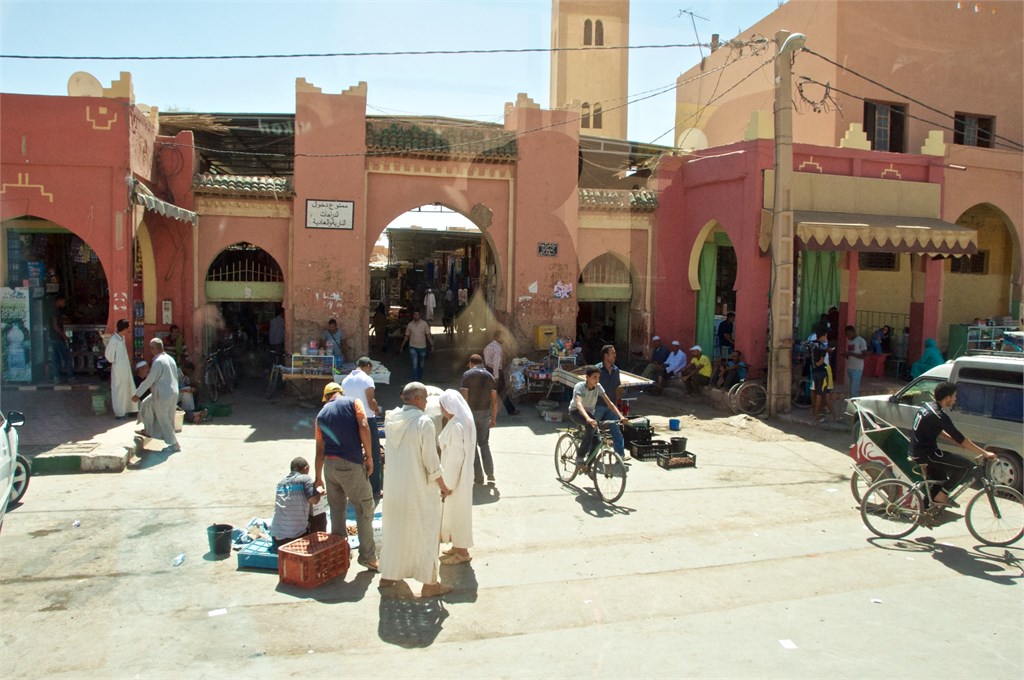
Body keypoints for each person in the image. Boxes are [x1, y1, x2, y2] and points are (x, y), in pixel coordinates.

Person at [380, 382, 454, 598]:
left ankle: (388, 575)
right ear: (418, 399)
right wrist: (443, 486)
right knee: (426, 533)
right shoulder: (423, 422)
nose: (426, 403)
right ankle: (430, 584)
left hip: (394, 489)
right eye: (425, 399)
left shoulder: (391, 418)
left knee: (396, 531)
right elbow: (431, 461)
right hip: (419, 490)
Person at [312, 381, 379, 572]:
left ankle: (340, 553)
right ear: (340, 392)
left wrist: (318, 477)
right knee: (364, 507)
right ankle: (367, 557)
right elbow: (364, 426)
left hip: (330, 467)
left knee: (336, 509)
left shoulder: (321, 415)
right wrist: (369, 457)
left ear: (326, 397)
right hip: (350, 465)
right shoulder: (353, 402)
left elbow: (319, 450)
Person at [909, 381, 995, 508]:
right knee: (967, 466)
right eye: (954, 396)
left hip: (918, 451)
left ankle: (924, 510)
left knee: (940, 480)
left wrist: (955, 441)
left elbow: (937, 431)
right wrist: (985, 453)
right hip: (927, 454)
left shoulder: (928, 407)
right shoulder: (939, 416)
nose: (955, 399)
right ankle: (942, 496)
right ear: (947, 398)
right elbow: (961, 438)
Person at [437, 389, 476, 566]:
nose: (441, 409)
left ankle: (462, 552)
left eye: (442, 406)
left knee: (459, 513)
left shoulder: (456, 426)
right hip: (461, 475)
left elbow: (455, 458)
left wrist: (448, 484)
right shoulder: (460, 422)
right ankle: (457, 546)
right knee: (455, 512)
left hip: (456, 478)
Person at [342, 356, 384, 502]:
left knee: (354, 453)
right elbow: (371, 401)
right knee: (373, 453)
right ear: (368, 366)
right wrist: (377, 410)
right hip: (367, 419)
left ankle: (354, 488)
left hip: (350, 419)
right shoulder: (367, 379)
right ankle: (375, 489)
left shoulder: (346, 380)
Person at [570, 366, 628, 467]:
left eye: (598, 377)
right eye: (594, 377)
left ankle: (588, 465)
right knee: (591, 426)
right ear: (587, 377)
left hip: (589, 413)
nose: (597, 380)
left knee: (598, 441)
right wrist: (588, 418)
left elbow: (609, 403)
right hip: (576, 412)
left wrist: (621, 416)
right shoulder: (579, 386)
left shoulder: (598, 387)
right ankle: (580, 456)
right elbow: (579, 404)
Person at [132, 337, 180, 453]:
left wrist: (137, 394)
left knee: (164, 420)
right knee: (146, 404)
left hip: (162, 394)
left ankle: (174, 444)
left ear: (153, 348)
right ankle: (148, 430)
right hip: (172, 392)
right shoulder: (170, 359)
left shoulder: (158, 362)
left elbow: (149, 380)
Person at [460, 353, 499, 485]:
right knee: (484, 443)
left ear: (471, 364)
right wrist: (493, 418)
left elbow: (464, 397)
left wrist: (461, 415)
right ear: (481, 363)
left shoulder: (467, 374)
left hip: (470, 413)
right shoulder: (490, 376)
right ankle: (490, 473)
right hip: (485, 413)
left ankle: (478, 477)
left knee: (472, 444)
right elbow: (494, 400)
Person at [270, 457, 322, 552]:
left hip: (277, 538)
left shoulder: (280, 484)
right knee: (320, 512)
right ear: (306, 468)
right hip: (294, 537)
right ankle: (319, 547)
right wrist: (318, 492)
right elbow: (314, 500)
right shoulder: (305, 479)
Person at [596, 344, 630, 460]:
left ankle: (620, 455)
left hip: (611, 406)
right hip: (598, 405)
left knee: (616, 431)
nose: (615, 355)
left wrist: (618, 403)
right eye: (613, 353)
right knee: (592, 430)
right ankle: (588, 454)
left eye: (615, 353)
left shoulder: (616, 370)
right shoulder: (597, 370)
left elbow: (617, 388)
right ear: (606, 356)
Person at [104, 319, 137, 419]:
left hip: (125, 369)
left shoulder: (121, 338)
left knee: (128, 388)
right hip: (118, 370)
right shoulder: (114, 340)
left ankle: (131, 409)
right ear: (125, 328)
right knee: (119, 391)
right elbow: (109, 356)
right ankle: (120, 412)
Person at [483, 331, 521, 416]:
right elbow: (496, 364)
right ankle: (511, 410)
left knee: (488, 392)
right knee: (502, 392)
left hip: (487, 370)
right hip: (496, 371)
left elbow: (486, 361)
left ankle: (484, 411)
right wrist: (496, 376)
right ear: (497, 337)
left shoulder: (487, 347)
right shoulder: (497, 348)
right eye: (502, 337)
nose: (503, 339)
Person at [809, 330, 840, 422]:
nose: (826, 338)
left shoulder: (811, 345)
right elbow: (820, 362)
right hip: (822, 372)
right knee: (822, 394)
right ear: (822, 336)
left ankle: (832, 416)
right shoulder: (822, 347)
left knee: (821, 393)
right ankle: (817, 415)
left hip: (814, 371)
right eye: (825, 336)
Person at [400, 310, 433, 382]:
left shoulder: (424, 324)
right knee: (414, 365)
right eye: (415, 314)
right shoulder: (410, 325)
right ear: (413, 316)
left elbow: (428, 335)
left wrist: (432, 344)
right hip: (413, 347)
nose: (416, 316)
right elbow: (406, 336)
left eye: (417, 314)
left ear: (419, 315)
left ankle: (419, 377)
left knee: (421, 365)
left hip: (422, 347)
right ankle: (416, 380)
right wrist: (402, 345)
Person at [50, 295, 74, 383]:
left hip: (53, 338)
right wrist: (63, 335)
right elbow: (55, 326)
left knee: (56, 359)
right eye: (64, 301)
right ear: (59, 300)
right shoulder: (55, 311)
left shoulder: (54, 311)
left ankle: (56, 378)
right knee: (67, 358)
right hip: (58, 338)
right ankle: (70, 377)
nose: (64, 303)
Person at [843, 325, 868, 398]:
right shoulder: (849, 341)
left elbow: (864, 356)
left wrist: (851, 354)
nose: (848, 336)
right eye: (846, 334)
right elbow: (851, 355)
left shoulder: (861, 341)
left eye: (849, 334)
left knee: (854, 390)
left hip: (857, 368)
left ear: (853, 332)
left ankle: (854, 403)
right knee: (851, 388)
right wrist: (846, 355)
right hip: (850, 367)